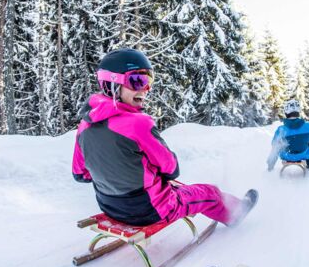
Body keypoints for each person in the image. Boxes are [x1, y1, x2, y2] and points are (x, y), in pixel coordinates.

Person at [72, 48, 258, 227]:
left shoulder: (84, 126)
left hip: (110, 207)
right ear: (112, 84)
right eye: (138, 81)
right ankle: (236, 213)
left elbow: (80, 174)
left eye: (148, 81)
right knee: (210, 193)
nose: (145, 89)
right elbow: (171, 169)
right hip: (151, 210)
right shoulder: (138, 124)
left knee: (174, 189)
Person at [266, 99, 309, 171]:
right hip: (304, 154)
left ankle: (270, 169)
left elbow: (275, 146)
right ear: (298, 112)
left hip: (287, 156)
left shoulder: (281, 130)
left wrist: (270, 165)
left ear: (286, 113)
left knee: (278, 147)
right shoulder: (308, 127)